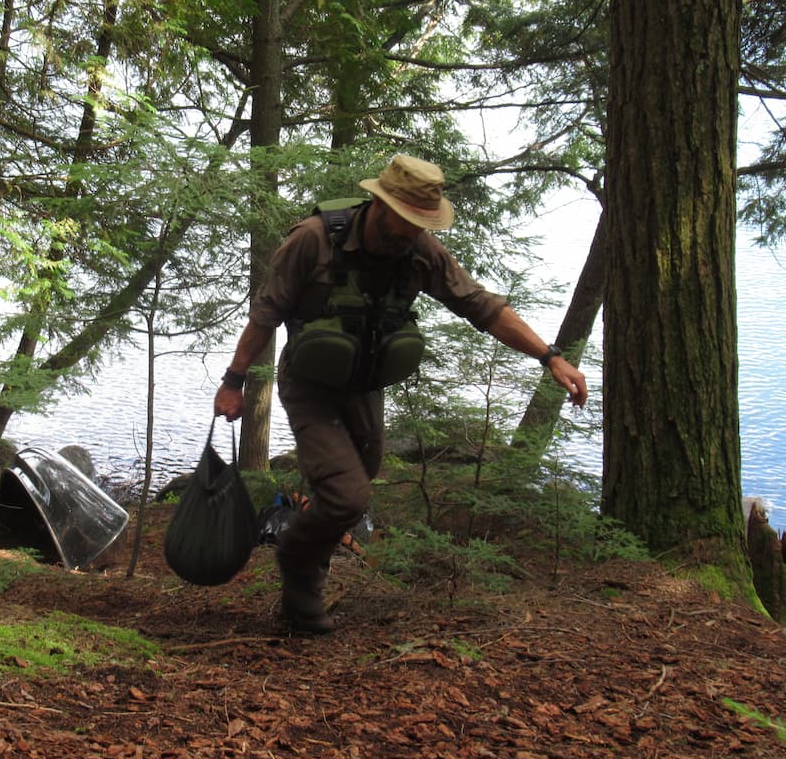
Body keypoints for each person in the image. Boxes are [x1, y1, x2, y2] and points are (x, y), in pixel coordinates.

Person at [213, 154, 588, 634]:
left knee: (352, 489)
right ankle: (297, 566)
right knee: (348, 496)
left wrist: (549, 356)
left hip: (365, 385)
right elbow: (265, 314)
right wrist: (234, 381)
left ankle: (300, 595)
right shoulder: (313, 240)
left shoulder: (419, 251)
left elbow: (481, 305)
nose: (411, 232)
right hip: (310, 385)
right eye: (406, 220)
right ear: (379, 203)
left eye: (421, 224)